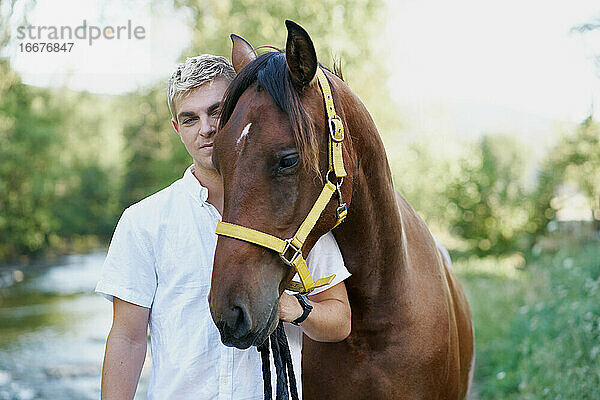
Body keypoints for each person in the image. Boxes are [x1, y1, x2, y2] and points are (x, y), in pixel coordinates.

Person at [95, 54, 351, 400]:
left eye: (216, 111)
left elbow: (340, 319)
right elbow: (128, 337)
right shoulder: (144, 222)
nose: (206, 128)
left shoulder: (291, 209)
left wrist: (295, 309)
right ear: (177, 130)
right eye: (190, 119)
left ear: (241, 110)